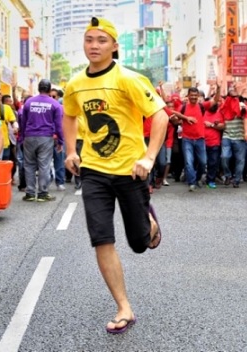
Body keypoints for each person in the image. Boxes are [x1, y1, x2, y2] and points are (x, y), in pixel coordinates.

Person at [62, 17, 169, 334]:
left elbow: (160, 115)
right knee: (101, 238)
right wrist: (72, 150)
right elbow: (69, 116)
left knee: (138, 244)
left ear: (114, 46)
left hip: (130, 170)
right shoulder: (75, 84)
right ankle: (124, 308)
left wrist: (149, 157)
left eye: (101, 40)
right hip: (93, 170)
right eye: (89, 39)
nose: (94, 46)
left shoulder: (130, 79)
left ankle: (148, 222)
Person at [19, 79, 63, 202]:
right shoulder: (55, 104)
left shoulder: (29, 103)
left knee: (29, 165)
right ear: (49, 90)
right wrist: (60, 141)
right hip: (46, 137)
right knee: (44, 165)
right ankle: (43, 193)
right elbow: (58, 125)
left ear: (39, 89)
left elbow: (23, 122)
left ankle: (30, 193)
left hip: (29, 137)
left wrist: (22, 138)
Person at [172, 86, 220, 191]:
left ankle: (197, 178)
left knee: (203, 162)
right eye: (191, 95)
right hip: (187, 139)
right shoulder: (183, 107)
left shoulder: (202, 106)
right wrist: (179, 120)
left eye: (195, 95)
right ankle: (192, 183)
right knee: (189, 162)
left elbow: (215, 100)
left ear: (198, 96)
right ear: (188, 96)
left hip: (200, 139)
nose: (193, 97)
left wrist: (219, 88)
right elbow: (175, 120)